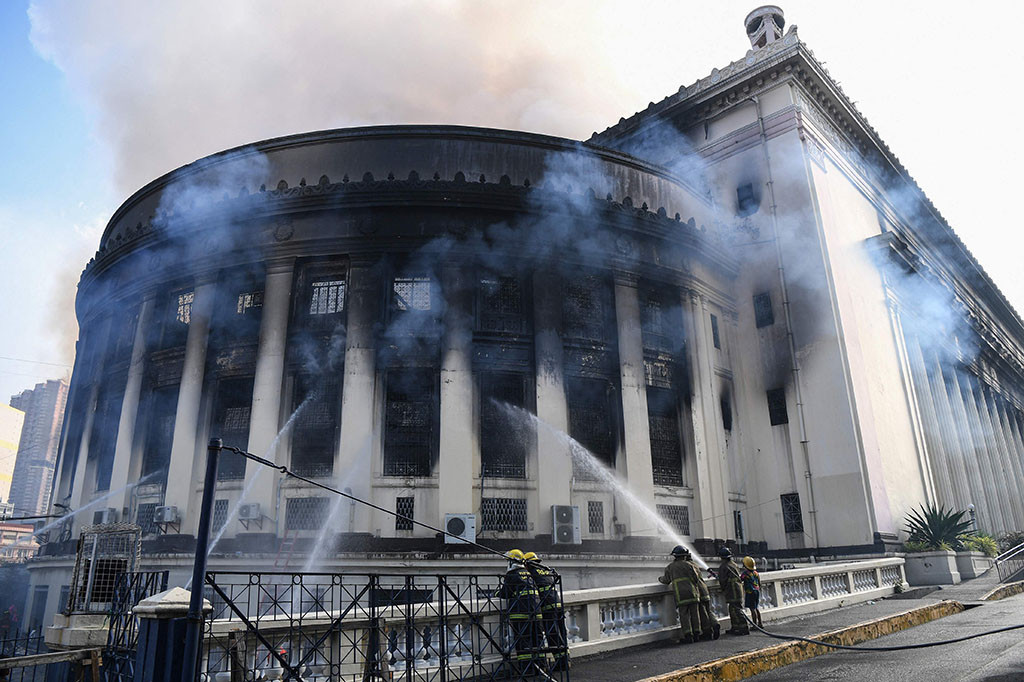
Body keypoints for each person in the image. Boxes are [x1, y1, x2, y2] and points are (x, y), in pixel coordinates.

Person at [497, 548, 542, 673]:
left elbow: (505, 593)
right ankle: (541, 666)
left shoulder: (512, 574)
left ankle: (526, 669)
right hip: (536, 610)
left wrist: (496, 593)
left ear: (512, 562)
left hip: (521, 611)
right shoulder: (528, 574)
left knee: (523, 640)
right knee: (537, 639)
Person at [523, 551, 569, 671]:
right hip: (557, 604)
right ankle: (566, 658)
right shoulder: (546, 570)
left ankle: (561, 662)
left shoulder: (531, 573)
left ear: (527, 564)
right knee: (561, 631)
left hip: (548, 607)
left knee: (552, 633)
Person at [658, 545, 704, 644]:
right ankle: (697, 634)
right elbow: (696, 579)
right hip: (692, 593)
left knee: (684, 615)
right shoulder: (690, 565)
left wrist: (659, 579)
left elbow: (666, 580)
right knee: (695, 614)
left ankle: (688, 636)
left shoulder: (670, 567)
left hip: (680, 595)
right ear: (684, 556)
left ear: (675, 556)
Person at [716, 547, 749, 635]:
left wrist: (722, 588)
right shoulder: (733, 564)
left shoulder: (723, 566)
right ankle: (736, 627)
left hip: (732, 590)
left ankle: (743, 627)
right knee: (733, 609)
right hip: (738, 589)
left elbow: (722, 580)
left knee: (736, 609)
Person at [689, 557, 721, 641]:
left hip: (698, 591)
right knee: (708, 610)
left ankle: (707, 632)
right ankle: (715, 623)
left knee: (703, 612)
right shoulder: (695, 565)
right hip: (705, 590)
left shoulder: (688, 566)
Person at [741, 556, 763, 629]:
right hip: (756, 591)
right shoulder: (756, 573)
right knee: (756, 608)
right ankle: (760, 623)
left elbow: (740, 580)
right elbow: (759, 583)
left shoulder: (745, 574)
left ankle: (755, 625)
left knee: (752, 609)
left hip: (750, 592)